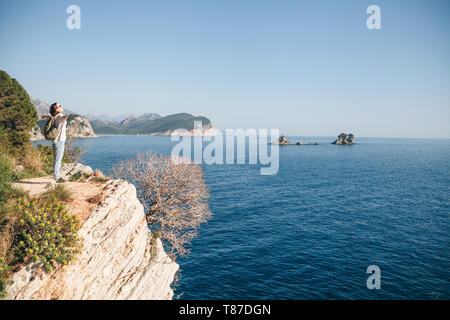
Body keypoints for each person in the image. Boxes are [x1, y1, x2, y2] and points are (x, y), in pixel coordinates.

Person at [41, 103, 70, 183]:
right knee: (58, 159)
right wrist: (66, 116)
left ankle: (56, 175)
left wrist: (47, 116)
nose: (61, 106)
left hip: (56, 141)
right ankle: (57, 177)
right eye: (59, 106)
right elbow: (61, 117)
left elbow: (53, 117)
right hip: (59, 141)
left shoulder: (55, 116)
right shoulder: (60, 116)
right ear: (56, 109)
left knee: (57, 159)